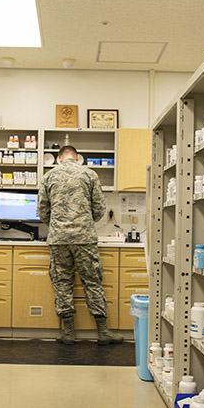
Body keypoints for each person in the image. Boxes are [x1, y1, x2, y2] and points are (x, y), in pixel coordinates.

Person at [38, 145, 124, 345]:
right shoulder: (89, 174)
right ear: (78, 158)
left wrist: (58, 224)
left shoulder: (48, 176)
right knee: (92, 282)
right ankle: (103, 332)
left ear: (59, 159)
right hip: (85, 238)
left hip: (59, 239)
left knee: (62, 282)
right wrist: (84, 221)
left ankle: (68, 333)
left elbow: (42, 210)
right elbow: (100, 207)